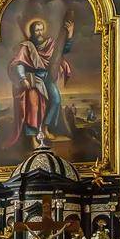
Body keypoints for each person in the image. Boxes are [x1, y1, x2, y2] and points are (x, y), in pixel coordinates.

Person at [8, 13, 73, 149]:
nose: (39, 32)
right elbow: (19, 63)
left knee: (55, 100)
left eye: (41, 29)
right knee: (33, 106)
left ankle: (45, 127)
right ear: (32, 31)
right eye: (36, 30)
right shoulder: (27, 46)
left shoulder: (50, 43)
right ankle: (32, 137)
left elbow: (63, 51)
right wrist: (22, 78)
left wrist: (70, 34)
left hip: (47, 76)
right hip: (33, 78)